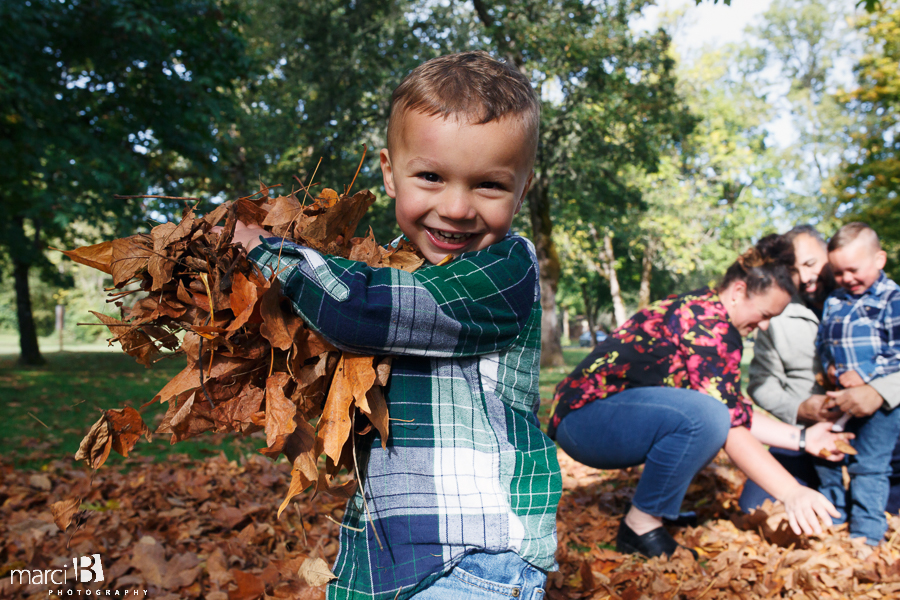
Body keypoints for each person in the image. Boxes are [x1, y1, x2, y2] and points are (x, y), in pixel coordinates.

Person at [224, 52, 560, 600]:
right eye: (430, 176)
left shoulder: (505, 271)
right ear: (388, 171)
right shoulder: (386, 264)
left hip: (473, 560)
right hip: (387, 552)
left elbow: (365, 312)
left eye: (489, 186)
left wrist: (268, 254)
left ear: (522, 191)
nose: (455, 207)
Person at [547, 235, 851, 559]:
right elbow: (725, 422)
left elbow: (734, 410)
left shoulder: (708, 312)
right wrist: (791, 492)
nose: (764, 327)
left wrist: (803, 438)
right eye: (764, 314)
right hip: (585, 423)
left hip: (598, 420)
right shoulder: (707, 325)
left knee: (711, 415)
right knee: (707, 417)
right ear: (738, 292)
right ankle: (640, 525)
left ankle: (655, 514)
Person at [740, 225, 900, 514]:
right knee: (757, 507)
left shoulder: (881, 298)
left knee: (885, 502)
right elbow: (761, 384)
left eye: (812, 263)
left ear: (829, 252)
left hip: (881, 426)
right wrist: (801, 408)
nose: (806, 276)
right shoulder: (778, 312)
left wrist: (879, 391)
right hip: (811, 435)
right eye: (795, 269)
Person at [813, 222, 900, 546]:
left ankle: (866, 533)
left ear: (879, 260)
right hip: (839, 395)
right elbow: (823, 342)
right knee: (828, 456)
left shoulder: (893, 299)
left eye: (853, 269)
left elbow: (898, 350)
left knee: (869, 465)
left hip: (881, 404)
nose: (846, 278)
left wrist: (867, 371)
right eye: (838, 273)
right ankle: (834, 517)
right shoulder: (835, 300)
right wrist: (830, 368)